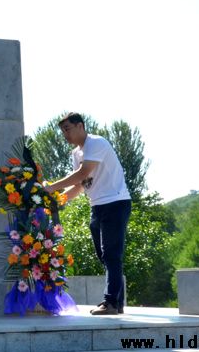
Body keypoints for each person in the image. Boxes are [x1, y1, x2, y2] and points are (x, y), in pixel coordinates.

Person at [44, 112, 131, 316]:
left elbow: (83, 173)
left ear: (80, 126)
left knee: (111, 254)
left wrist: (52, 188)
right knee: (104, 255)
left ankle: (110, 302)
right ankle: (117, 302)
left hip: (116, 202)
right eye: (62, 131)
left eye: (67, 129)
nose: (65, 134)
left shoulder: (96, 143)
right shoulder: (76, 153)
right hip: (97, 206)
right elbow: (81, 184)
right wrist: (57, 201)